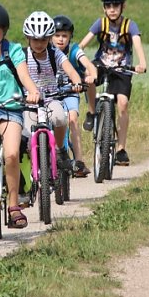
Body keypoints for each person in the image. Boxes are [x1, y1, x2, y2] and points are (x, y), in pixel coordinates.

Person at [0, 3, 41, 229]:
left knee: (12, 154)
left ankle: (13, 205)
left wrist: (32, 91)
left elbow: (23, 75)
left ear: (3, 31)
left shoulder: (13, 51)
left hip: (10, 107)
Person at [78, 0, 148, 166]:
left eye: (116, 5)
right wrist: (75, 55)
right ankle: (92, 112)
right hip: (101, 64)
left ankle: (121, 149)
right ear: (104, 8)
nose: (112, 9)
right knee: (89, 75)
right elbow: (83, 43)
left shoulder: (129, 25)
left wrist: (142, 63)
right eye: (108, 6)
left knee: (123, 104)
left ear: (123, 6)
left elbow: (137, 41)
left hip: (122, 68)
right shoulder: (100, 23)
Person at [21, 11, 84, 173]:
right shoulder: (22, 55)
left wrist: (76, 82)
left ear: (49, 38)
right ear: (28, 38)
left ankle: (60, 149)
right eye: (35, 39)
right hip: (30, 103)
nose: (39, 43)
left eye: (43, 39)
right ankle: (32, 176)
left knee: (61, 119)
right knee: (27, 137)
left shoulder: (54, 53)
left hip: (51, 99)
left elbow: (70, 71)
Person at [52, 15, 97, 178]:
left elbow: (88, 65)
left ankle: (78, 161)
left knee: (72, 119)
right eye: (57, 35)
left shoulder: (74, 50)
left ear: (70, 36)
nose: (61, 39)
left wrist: (91, 75)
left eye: (64, 35)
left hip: (70, 92)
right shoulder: (46, 51)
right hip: (50, 95)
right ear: (50, 36)